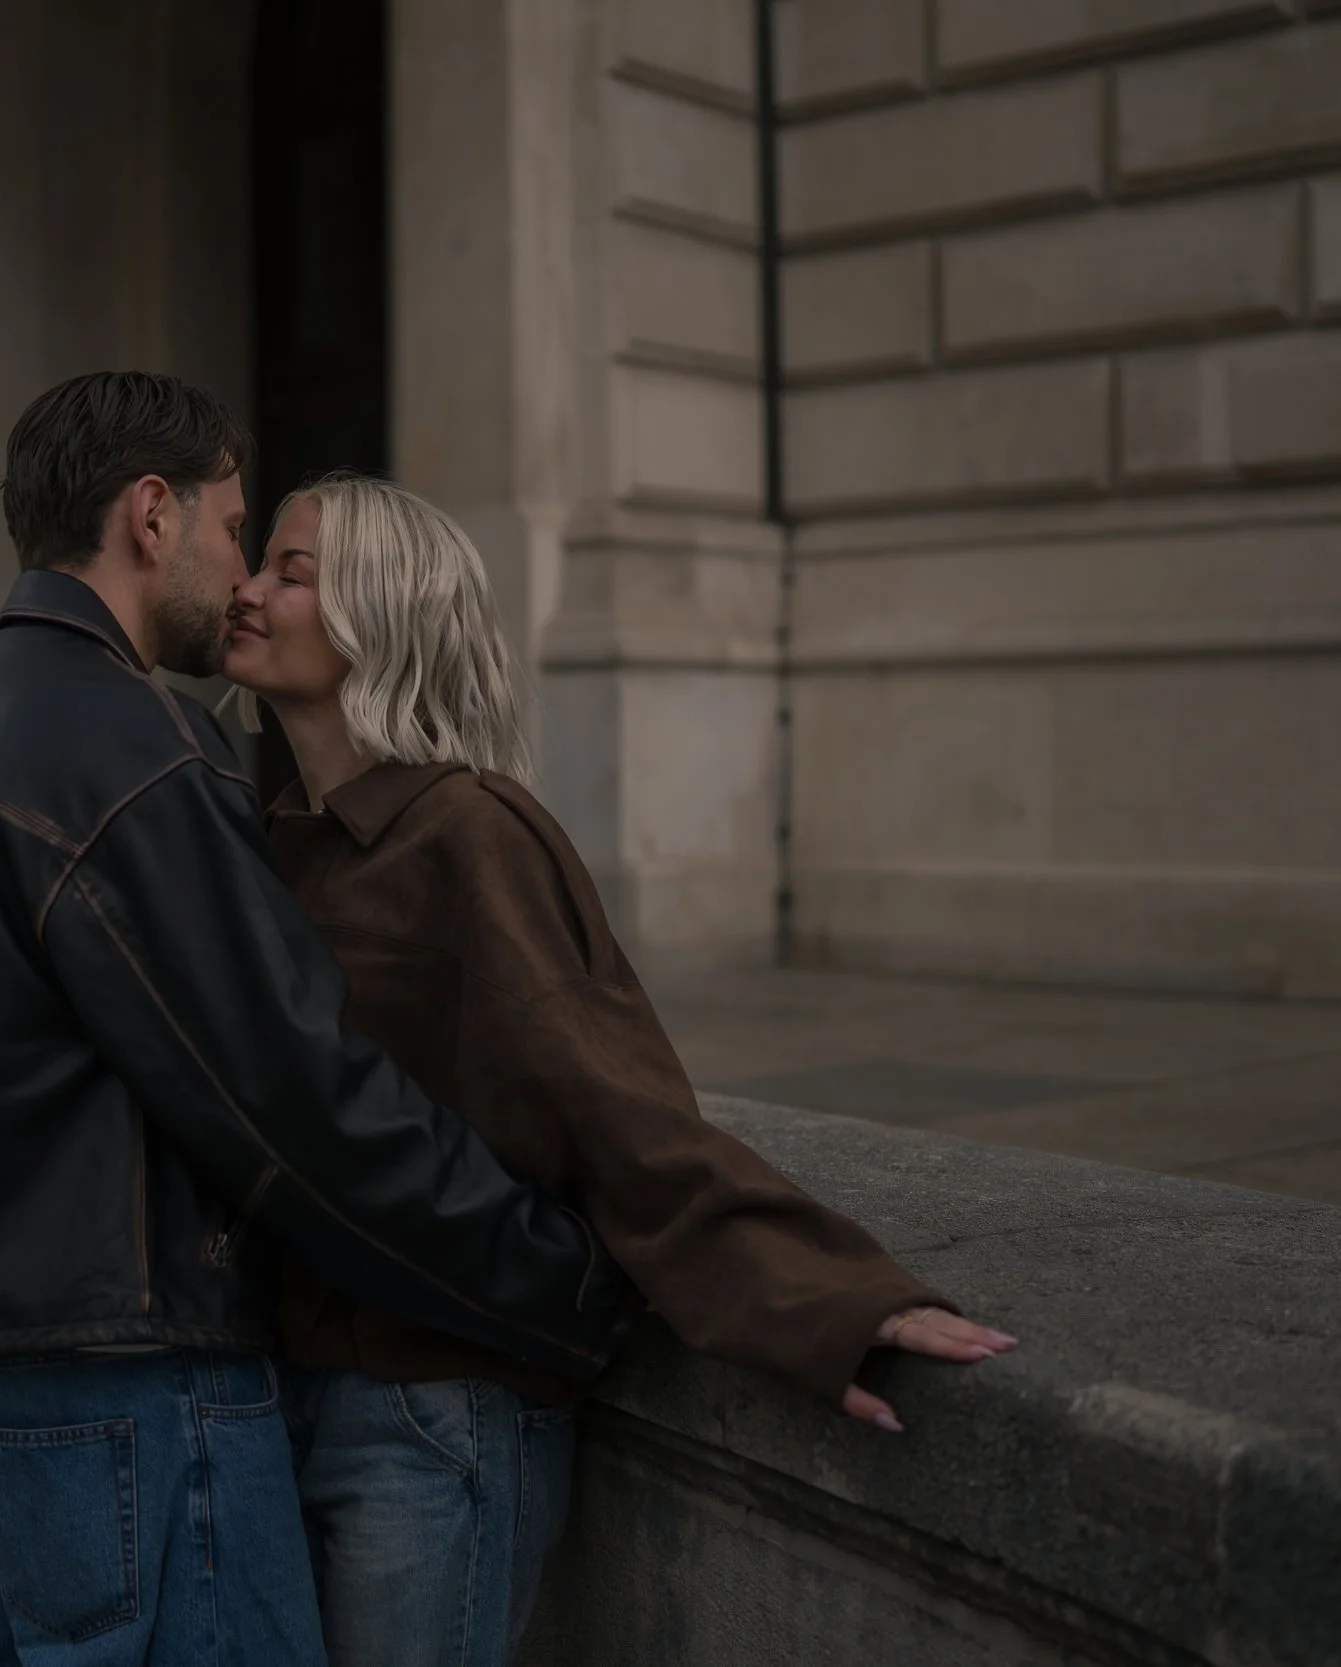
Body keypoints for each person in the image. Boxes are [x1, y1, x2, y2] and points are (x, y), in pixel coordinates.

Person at [0, 374, 638, 1667]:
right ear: (151, 513)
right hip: (127, 1391)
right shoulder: (137, 747)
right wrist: (557, 1283)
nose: (240, 573)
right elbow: (294, 1097)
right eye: (230, 527)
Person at [220, 474, 1017, 1667]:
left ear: (377, 616)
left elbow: (613, 1100)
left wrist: (828, 1300)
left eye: (290, 572)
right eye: (261, 562)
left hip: (433, 1417)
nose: (245, 589)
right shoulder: (271, 838)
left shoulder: (470, 831)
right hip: (292, 1388)